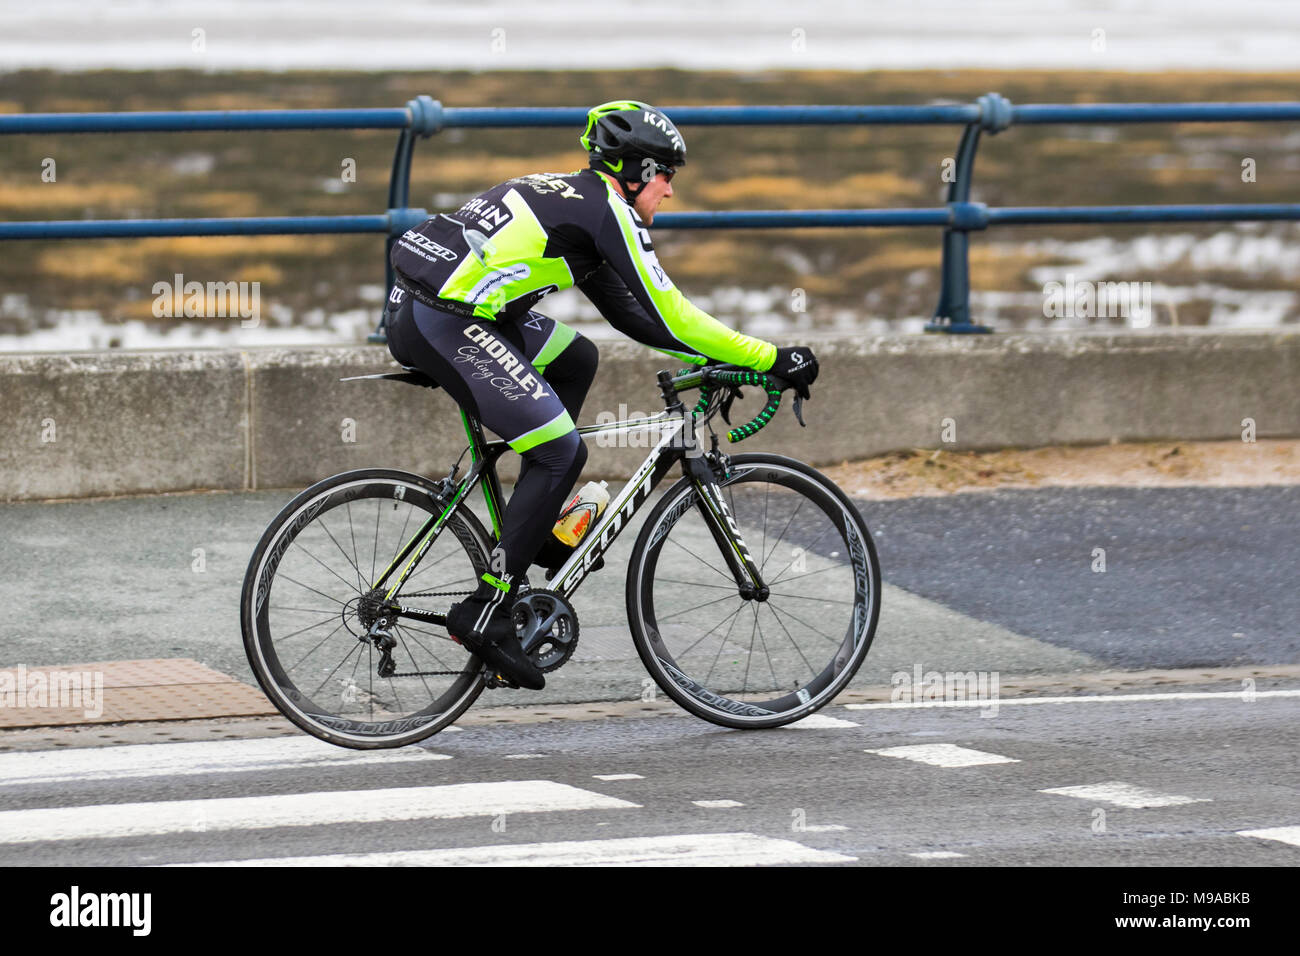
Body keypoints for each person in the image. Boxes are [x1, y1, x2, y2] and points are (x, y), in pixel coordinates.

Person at [384, 100, 819, 690]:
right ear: (637, 170)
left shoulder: (577, 202)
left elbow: (633, 317)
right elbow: (672, 314)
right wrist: (767, 357)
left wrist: (719, 362)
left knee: (576, 357)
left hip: (433, 306)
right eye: (667, 175)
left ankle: (533, 531)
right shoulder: (607, 210)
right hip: (444, 320)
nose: (669, 191)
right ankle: (486, 610)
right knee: (562, 451)